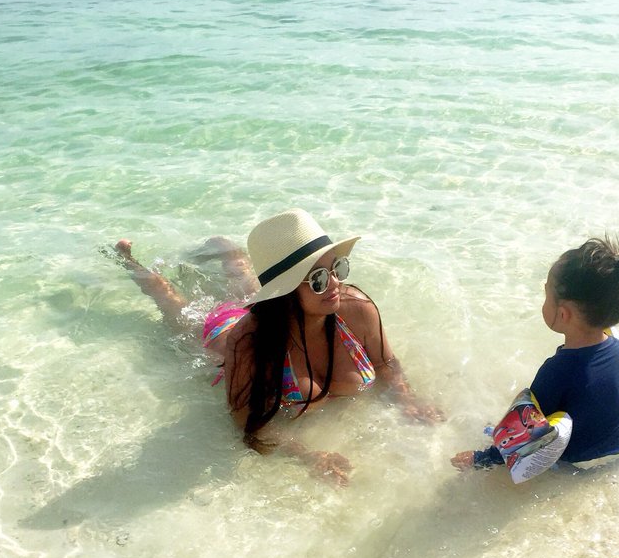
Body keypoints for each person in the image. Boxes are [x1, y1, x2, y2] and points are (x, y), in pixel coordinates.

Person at [111, 208, 442, 486]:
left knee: (241, 275)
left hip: (277, 312)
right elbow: (247, 424)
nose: (336, 285)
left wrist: (407, 398)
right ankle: (129, 262)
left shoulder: (356, 309)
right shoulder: (248, 343)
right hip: (223, 333)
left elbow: (386, 364)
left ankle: (226, 249)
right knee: (174, 306)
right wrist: (307, 455)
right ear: (285, 290)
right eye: (319, 280)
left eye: (336, 268)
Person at [452, 236, 619, 473]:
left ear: (563, 314)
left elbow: (526, 433)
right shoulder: (617, 350)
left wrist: (482, 458)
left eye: (547, 295)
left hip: (582, 462)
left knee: (499, 426)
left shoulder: (557, 370)